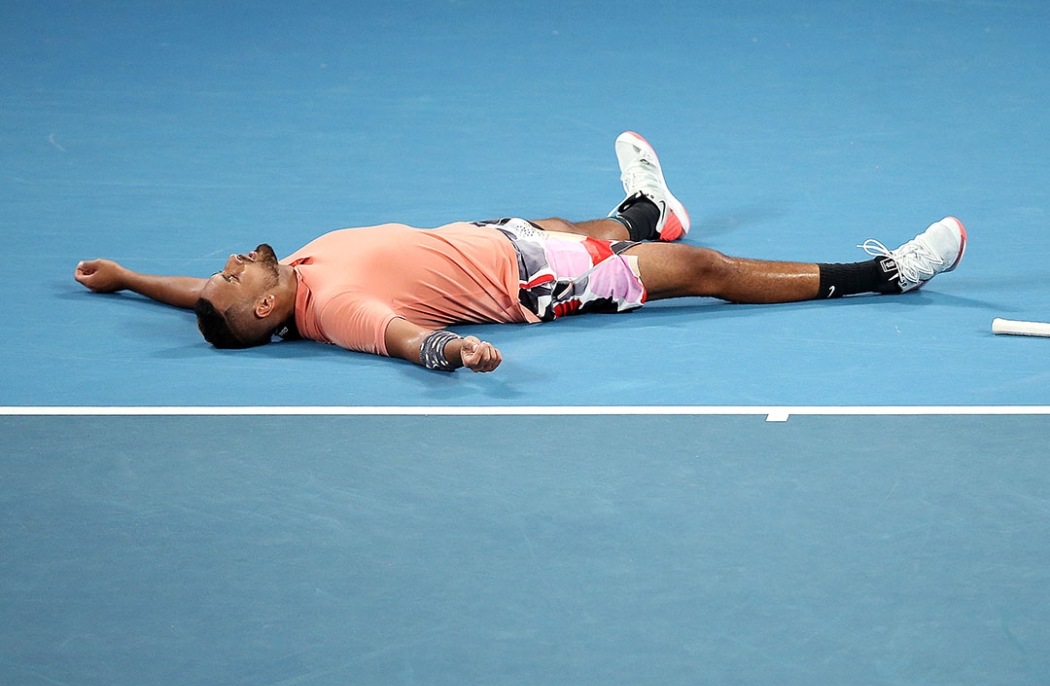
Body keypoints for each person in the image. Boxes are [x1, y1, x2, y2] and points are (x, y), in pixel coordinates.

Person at [74, 131, 967, 373]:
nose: (230, 264)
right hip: (534, 282)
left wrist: (128, 279)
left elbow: (201, 297)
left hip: (491, 239)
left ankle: (646, 211)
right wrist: (449, 349)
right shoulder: (334, 310)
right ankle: (888, 275)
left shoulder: (279, 283)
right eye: (235, 279)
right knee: (706, 272)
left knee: (587, 224)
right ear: (268, 310)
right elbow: (398, 336)